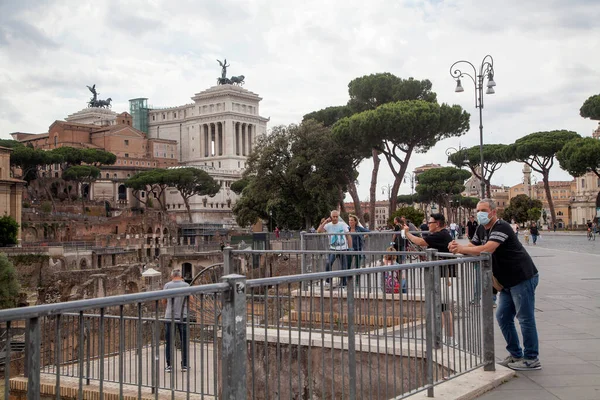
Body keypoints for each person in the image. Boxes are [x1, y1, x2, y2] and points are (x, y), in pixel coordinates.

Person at [448, 199, 541, 371]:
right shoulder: (481, 228)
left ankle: (531, 358)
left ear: (493, 212)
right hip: (506, 282)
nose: (480, 213)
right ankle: (515, 354)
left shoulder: (502, 227)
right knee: (503, 317)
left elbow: (488, 248)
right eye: (478, 210)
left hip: (522, 277)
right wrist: (456, 246)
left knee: (525, 319)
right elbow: (473, 245)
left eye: (483, 210)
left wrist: (462, 250)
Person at [403, 213, 457, 346]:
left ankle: (448, 338)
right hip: (441, 275)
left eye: (430, 222)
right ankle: (443, 337)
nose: (428, 225)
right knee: (440, 307)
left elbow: (421, 242)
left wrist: (407, 233)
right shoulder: (441, 234)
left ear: (437, 224)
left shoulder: (441, 234)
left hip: (443, 276)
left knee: (443, 307)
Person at [163, 269, 190, 372]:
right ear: (181, 275)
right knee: (184, 341)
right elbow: (191, 299)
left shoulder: (167, 285)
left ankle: (169, 365)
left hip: (170, 316)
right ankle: (185, 365)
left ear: (172, 276)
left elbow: (163, 301)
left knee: (169, 341)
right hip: (183, 316)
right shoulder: (186, 285)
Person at [317, 210, 352, 288]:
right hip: (333, 249)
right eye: (334, 216)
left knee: (343, 266)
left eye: (337, 217)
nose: (335, 218)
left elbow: (348, 236)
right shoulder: (328, 225)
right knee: (328, 263)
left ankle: (343, 283)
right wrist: (325, 221)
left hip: (343, 248)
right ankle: (328, 281)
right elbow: (318, 231)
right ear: (331, 217)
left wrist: (350, 248)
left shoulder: (342, 224)